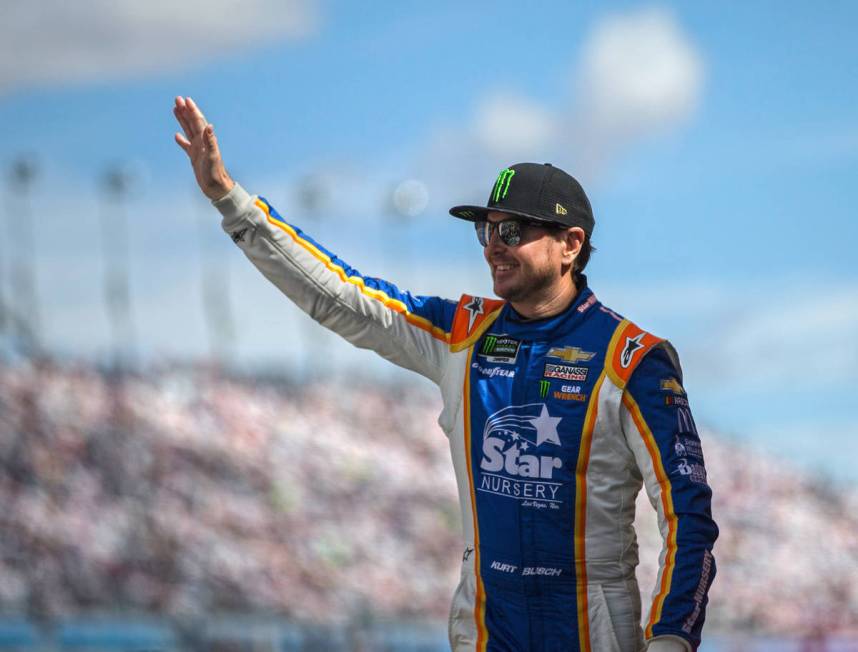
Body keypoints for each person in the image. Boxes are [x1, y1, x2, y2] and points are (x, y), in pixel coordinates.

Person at [173, 96, 718, 652]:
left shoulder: (632, 357)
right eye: (487, 230)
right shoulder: (464, 332)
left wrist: (671, 641)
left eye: (513, 230)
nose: (495, 247)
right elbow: (340, 296)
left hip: (594, 630)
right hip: (486, 629)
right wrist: (231, 201)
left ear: (570, 245)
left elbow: (688, 517)